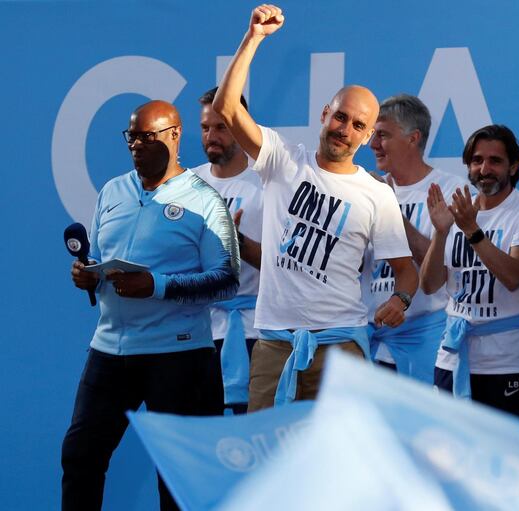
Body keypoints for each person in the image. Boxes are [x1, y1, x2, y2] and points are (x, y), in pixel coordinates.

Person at [213, 4, 417, 410]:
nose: (345, 130)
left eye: (358, 126)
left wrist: (401, 301)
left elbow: (406, 272)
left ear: (366, 137)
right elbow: (227, 108)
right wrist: (253, 38)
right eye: (340, 117)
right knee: (266, 456)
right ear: (325, 115)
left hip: (341, 348)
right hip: (273, 342)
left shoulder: (376, 193)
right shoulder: (283, 159)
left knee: (335, 463)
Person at [61, 100, 239, 510]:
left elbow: (227, 280)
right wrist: (87, 274)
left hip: (178, 356)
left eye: (147, 136)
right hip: (110, 350)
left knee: (177, 481)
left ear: (175, 136)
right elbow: (98, 259)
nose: (137, 145)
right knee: (80, 456)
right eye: (132, 137)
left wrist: (155, 285)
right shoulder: (112, 190)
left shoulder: (205, 201)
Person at [421, 125, 519, 419]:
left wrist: (472, 230)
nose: (484, 168)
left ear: (514, 166)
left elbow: (513, 277)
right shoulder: (458, 212)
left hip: (507, 362)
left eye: (495, 161)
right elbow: (429, 284)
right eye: (477, 160)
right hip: (452, 358)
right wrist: (440, 233)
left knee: (506, 457)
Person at [363, 93, 467, 383]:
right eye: (372, 134)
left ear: (413, 138)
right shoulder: (366, 188)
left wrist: (391, 211)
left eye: (382, 135)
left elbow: (441, 276)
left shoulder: (451, 190)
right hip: (370, 340)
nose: (372, 144)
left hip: (425, 342)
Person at [191, 87, 263, 414]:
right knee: (202, 439)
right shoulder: (184, 185)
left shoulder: (268, 184)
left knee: (253, 442)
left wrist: (238, 243)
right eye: (206, 128)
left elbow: (284, 266)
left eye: (221, 127)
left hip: (256, 333)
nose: (211, 136)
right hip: (198, 332)